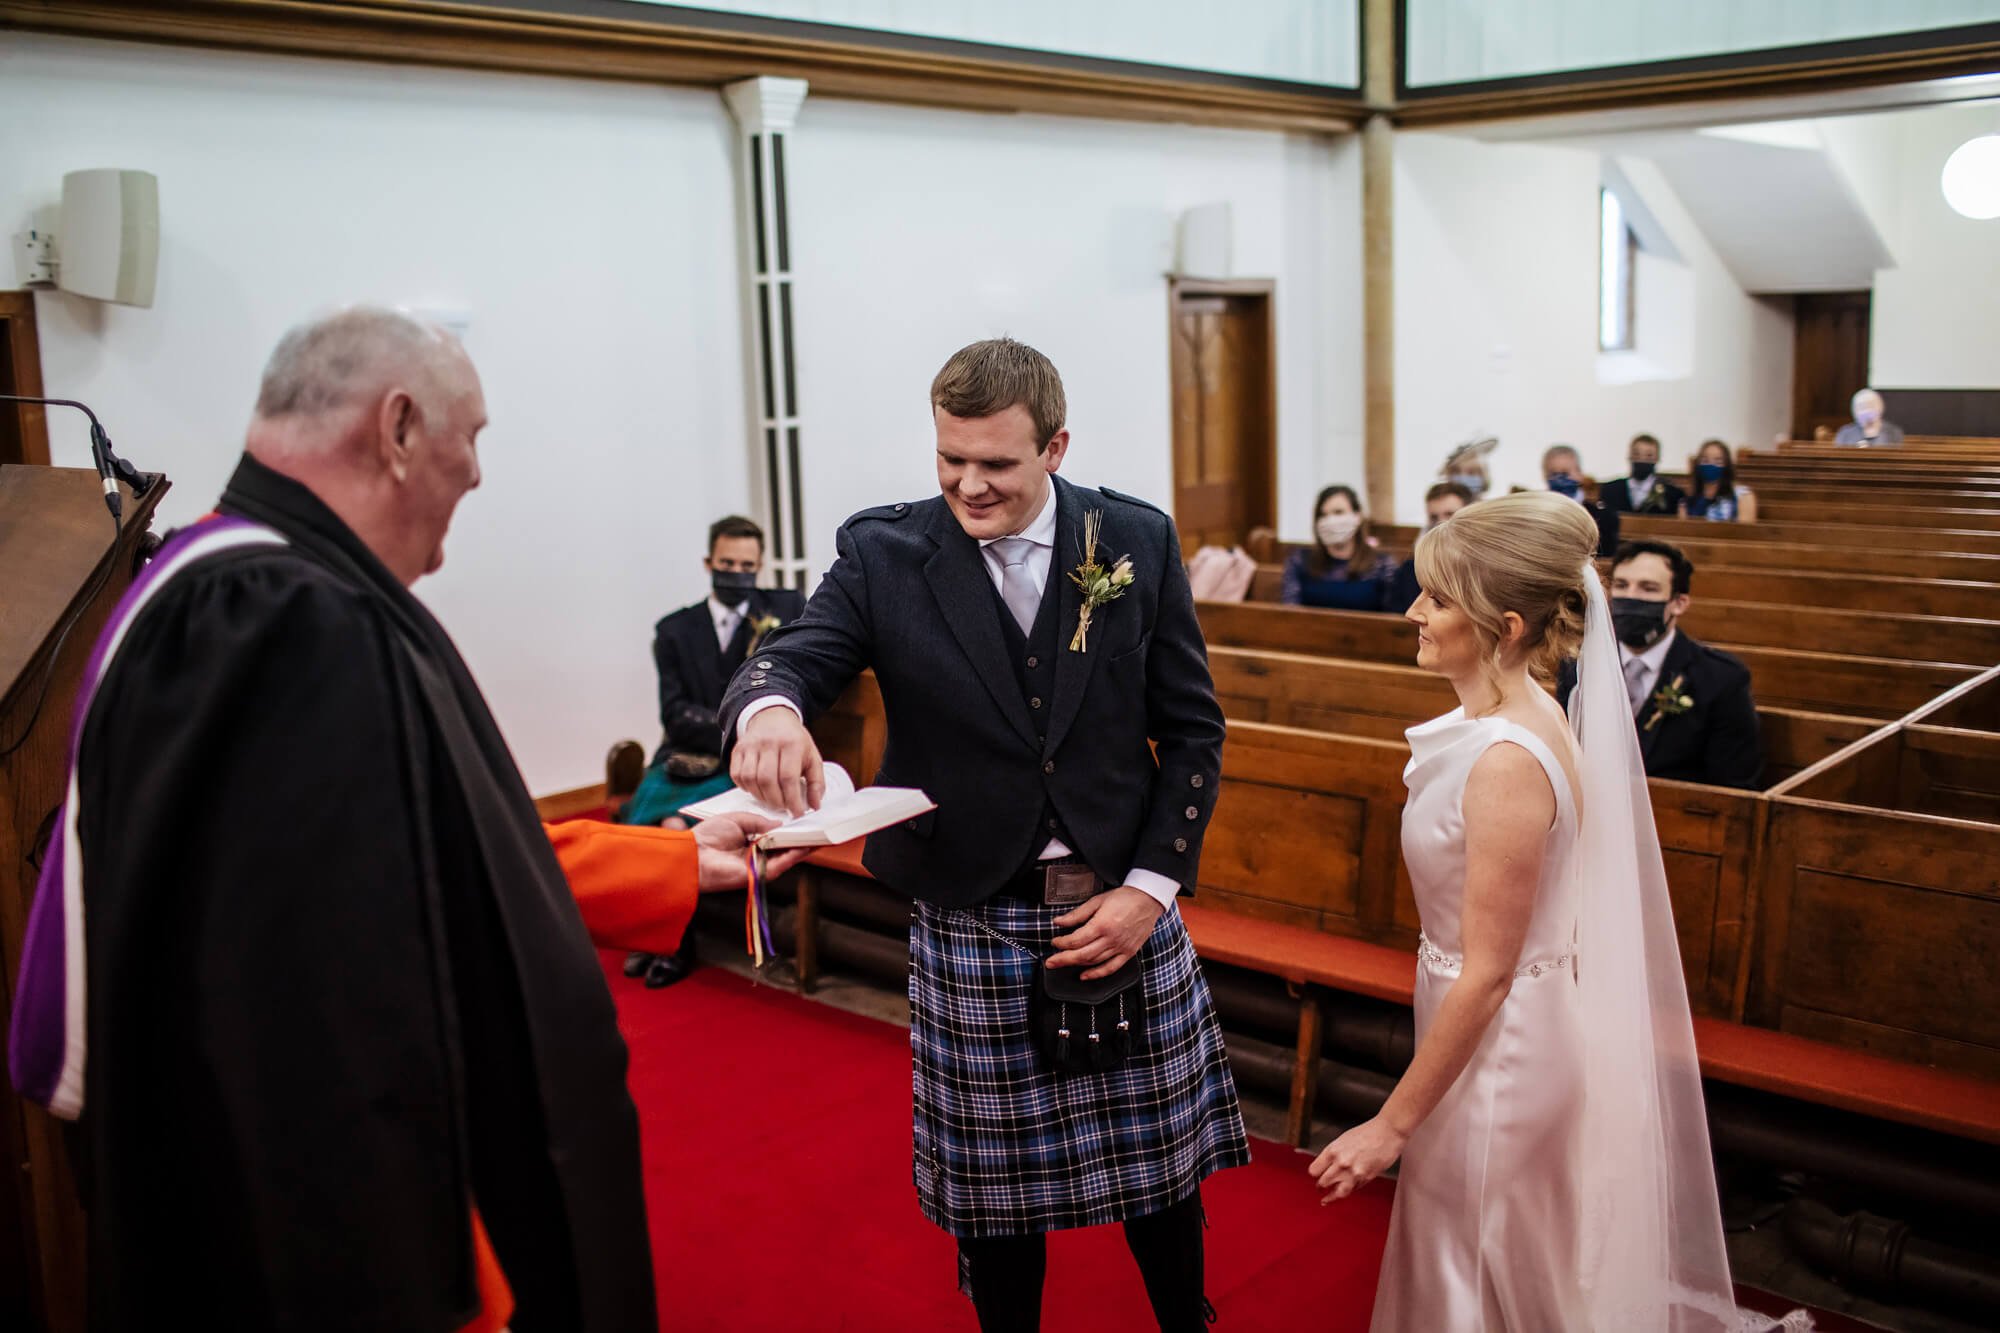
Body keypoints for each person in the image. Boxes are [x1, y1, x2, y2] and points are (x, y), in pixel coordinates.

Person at [6, 307, 803, 1332]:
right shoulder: (277, 619)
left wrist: (672, 861)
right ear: (395, 428)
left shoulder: (278, 588)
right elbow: (313, 1031)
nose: (475, 474)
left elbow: (432, 859)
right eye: (470, 436)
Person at [721, 337, 1249, 1333]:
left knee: (1162, 1174)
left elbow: (1190, 732)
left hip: (1120, 903)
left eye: (995, 464)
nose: (967, 484)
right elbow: (795, 655)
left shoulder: (1132, 538)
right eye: (947, 459)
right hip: (972, 908)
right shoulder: (885, 553)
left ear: (1054, 446)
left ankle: (1187, 1319)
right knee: (995, 1202)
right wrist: (770, 714)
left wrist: (1150, 888)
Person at [1309, 491, 1789, 1332]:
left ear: (1507, 623)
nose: (1415, 611)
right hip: (1488, 1024)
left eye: (1438, 597)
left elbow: (1491, 970)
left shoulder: (1505, 759)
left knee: (1478, 1257)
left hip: (1503, 1047)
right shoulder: (1508, 719)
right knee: (1490, 1252)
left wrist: (1391, 1122)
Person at [622, 514, 805, 988]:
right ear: (709, 562)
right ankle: (659, 935)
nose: (737, 572)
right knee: (653, 827)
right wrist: (734, 725)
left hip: (739, 761)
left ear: (760, 565)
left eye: (748, 564)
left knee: (676, 828)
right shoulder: (675, 631)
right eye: (727, 562)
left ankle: (668, 941)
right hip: (684, 754)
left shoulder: (783, 611)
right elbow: (675, 713)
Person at [1554, 540, 1761, 790]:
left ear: (1679, 603)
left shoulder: (1721, 679)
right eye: (1622, 585)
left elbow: (1734, 785)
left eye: (1648, 589)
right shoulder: (1577, 664)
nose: (1631, 597)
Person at [1279, 484, 1399, 610]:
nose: (1330, 520)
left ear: (1357, 516)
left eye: (1338, 512)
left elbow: (1391, 616)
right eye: (1323, 515)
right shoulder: (1300, 560)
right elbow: (1290, 611)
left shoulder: (1382, 564)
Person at [1385, 480, 1471, 614]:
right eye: (1434, 517)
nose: (1441, 523)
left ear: (1469, 515)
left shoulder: (1481, 568)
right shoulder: (1411, 569)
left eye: (1449, 514)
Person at [1541, 444, 1620, 557]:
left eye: (1565, 473)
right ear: (1545, 476)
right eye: (1554, 474)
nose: (1560, 479)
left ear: (1579, 474)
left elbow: (1605, 557)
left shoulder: (1603, 516)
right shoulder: (1537, 514)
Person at [1599, 433, 1686, 516]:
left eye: (1649, 456)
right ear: (1629, 456)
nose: (1642, 460)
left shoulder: (1672, 495)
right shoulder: (1610, 490)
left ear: (1657, 459)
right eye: (1637, 454)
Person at [1683, 439, 1757, 522]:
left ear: (1726, 465)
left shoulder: (1743, 495)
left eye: (1718, 461)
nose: (1711, 465)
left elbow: (1746, 531)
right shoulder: (1689, 499)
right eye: (1705, 460)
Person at [1834, 389, 1904, 446]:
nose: (1866, 410)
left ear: (1880, 407)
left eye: (1870, 405)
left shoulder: (1893, 433)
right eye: (1861, 407)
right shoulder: (1845, 433)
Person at [1440, 435, 1496, 501]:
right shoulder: (1443, 509)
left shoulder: (1493, 508)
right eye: (1456, 472)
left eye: (1471, 472)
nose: (1463, 477)